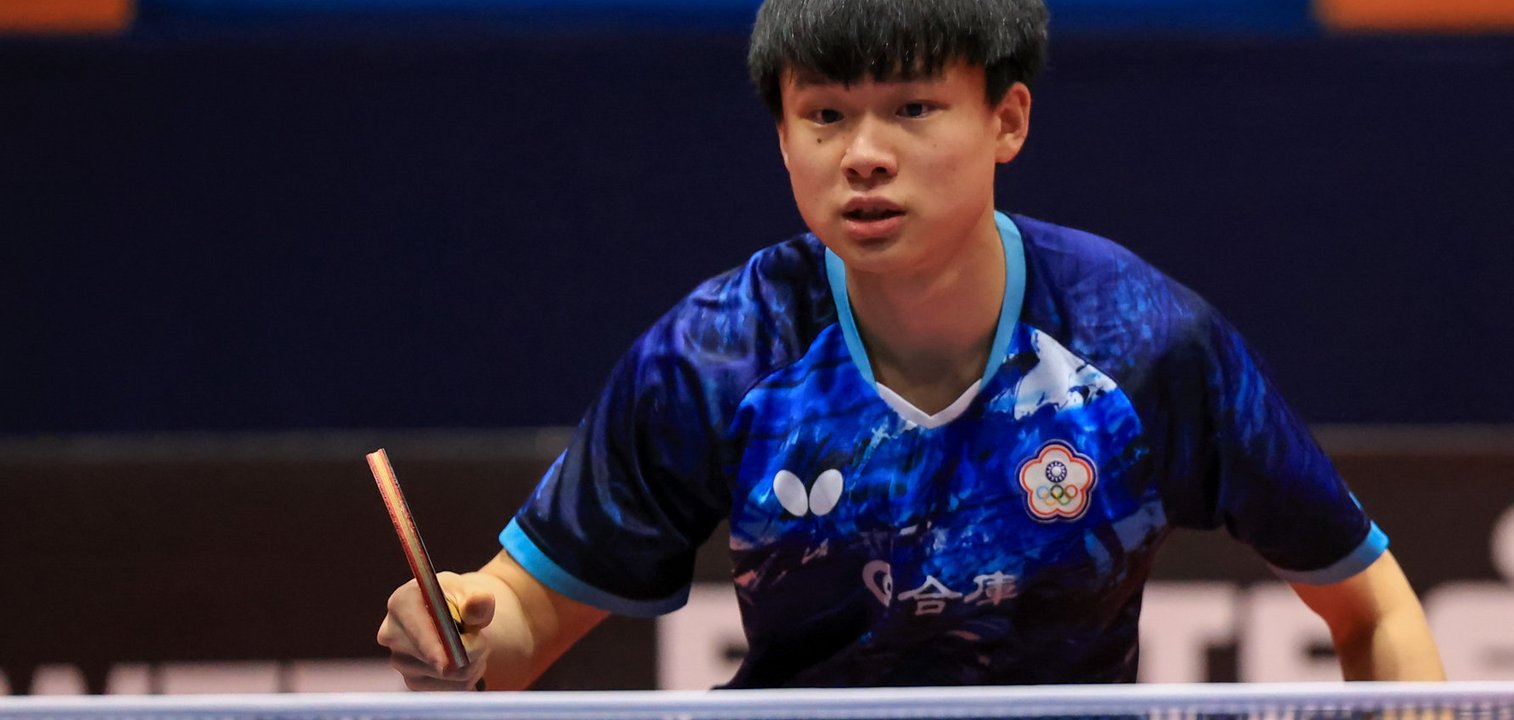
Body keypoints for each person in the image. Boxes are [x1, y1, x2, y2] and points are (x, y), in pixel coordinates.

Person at [377, 0, 1445, 689]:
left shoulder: (1141, 342)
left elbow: (1373, 608)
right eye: (824, 115)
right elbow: (524, 618)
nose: (865, 156)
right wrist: (461, 628)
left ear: (1007, 119)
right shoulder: (718, 354)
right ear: (782, 135)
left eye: (914, 107)